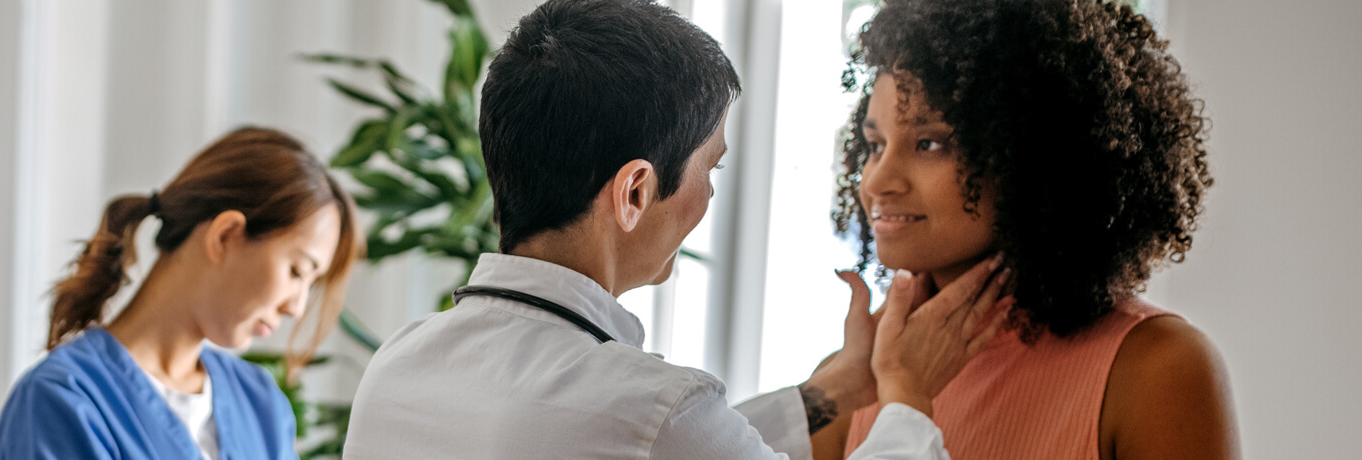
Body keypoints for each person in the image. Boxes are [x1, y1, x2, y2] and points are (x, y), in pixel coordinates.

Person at [343, 1, 1011, 458]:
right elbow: (652, 433)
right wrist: (904, 391)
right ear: (635, 190)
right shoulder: (651, 405)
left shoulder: (398, 362)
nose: (709, 197)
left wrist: (833, 392)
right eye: (709, 169)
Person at [827, 1, 1237, 459]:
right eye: (875, 145)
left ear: (1031, 156)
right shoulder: (856, 384)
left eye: (930, 143)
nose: (877, 181)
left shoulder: (1157, 369)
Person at [0, 127, 361, 460]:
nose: (296, 307)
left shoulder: (260, 404)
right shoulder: (63, 401)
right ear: (226, 235)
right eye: (297, 271)